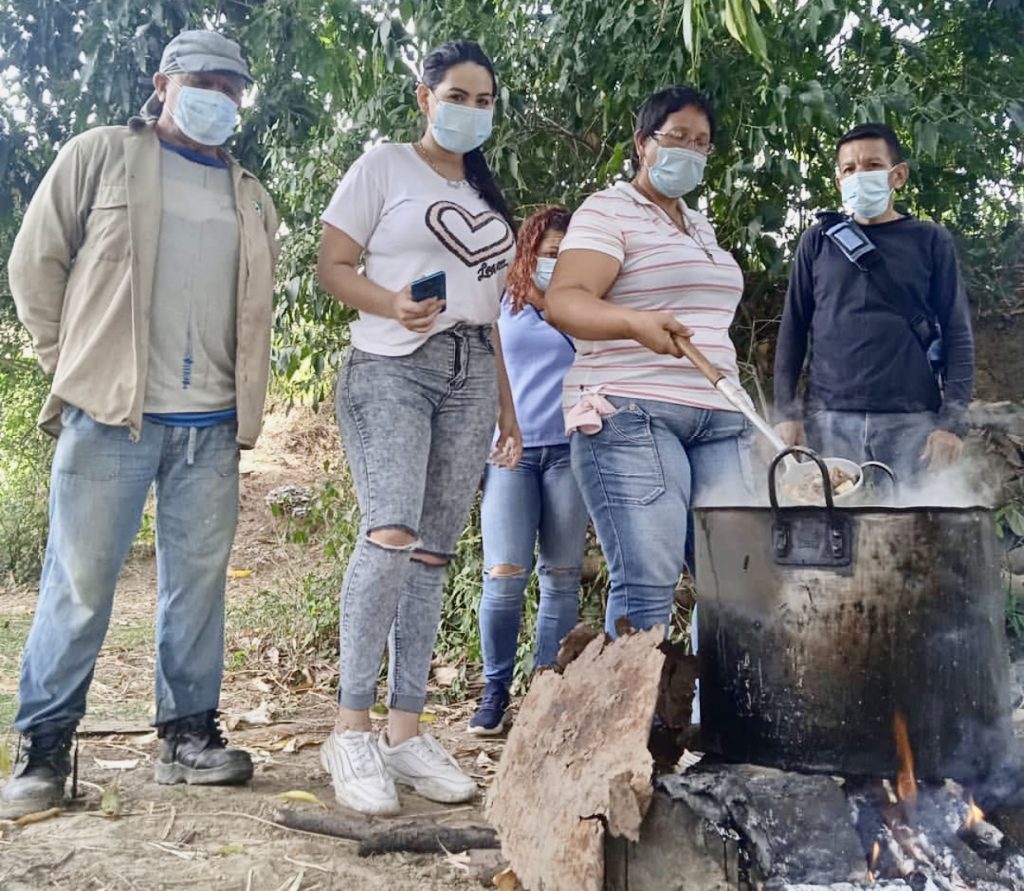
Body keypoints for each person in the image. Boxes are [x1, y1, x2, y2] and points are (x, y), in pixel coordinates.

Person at [1, 30, 279, 818]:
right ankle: (45, 749)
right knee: (80, 585)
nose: (219, 96)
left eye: (232, 87)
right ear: (163, 82)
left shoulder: (250, 192)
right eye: (205, 81)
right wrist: (76, 366)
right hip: (110, 419)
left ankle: (187, 737)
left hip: (212, 427)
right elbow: (35, 264)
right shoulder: (100, 155)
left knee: (196, 587)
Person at [316, 39, 521, 815]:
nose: (471, 110)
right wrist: (391, 301)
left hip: (472, 370)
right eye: (458, 95)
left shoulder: (487, 199)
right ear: (424, 97)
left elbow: (492, 313)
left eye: (484, 100)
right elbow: (331, 264)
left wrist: (506, 407)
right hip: (393, 365)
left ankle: (404, 733)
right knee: (391, 534)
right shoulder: (383, 166)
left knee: (433, 554)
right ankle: (351, 727)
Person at [545, 85, 753, 638]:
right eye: (677, 136)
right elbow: (564, 300)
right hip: (633, 411)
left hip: (721, 416)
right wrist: (636, 323)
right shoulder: (608, 210)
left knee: (739, 582)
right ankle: (636, 725)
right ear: (643, 143)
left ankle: (718, 723)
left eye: (701, 142)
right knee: (650, 581)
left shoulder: (699, 225)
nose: (689, 149)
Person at [773, 122, 974, 483]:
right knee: (827, 534)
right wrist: (786, 414)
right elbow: (793, 330)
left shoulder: (930, 240)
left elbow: (958, 333)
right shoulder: (817, 241)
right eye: (849, 169)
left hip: (912, 422)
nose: (859, 175)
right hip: (828, 418)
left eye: (872, 166)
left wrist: (952, 424)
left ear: (898, 175)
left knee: (911, 536)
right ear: (838, 181)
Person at [468, 206, 589, 736]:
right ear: (528, 253)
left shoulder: (586, 308)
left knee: (561, 579)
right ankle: (495, 689)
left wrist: (560, 306)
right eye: (548, 255)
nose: (555, 263)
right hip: (511, 455)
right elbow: (481, 372)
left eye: (565, 255)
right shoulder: (501, 301)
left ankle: (545, 689)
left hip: (570, 452)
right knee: (503, 576)